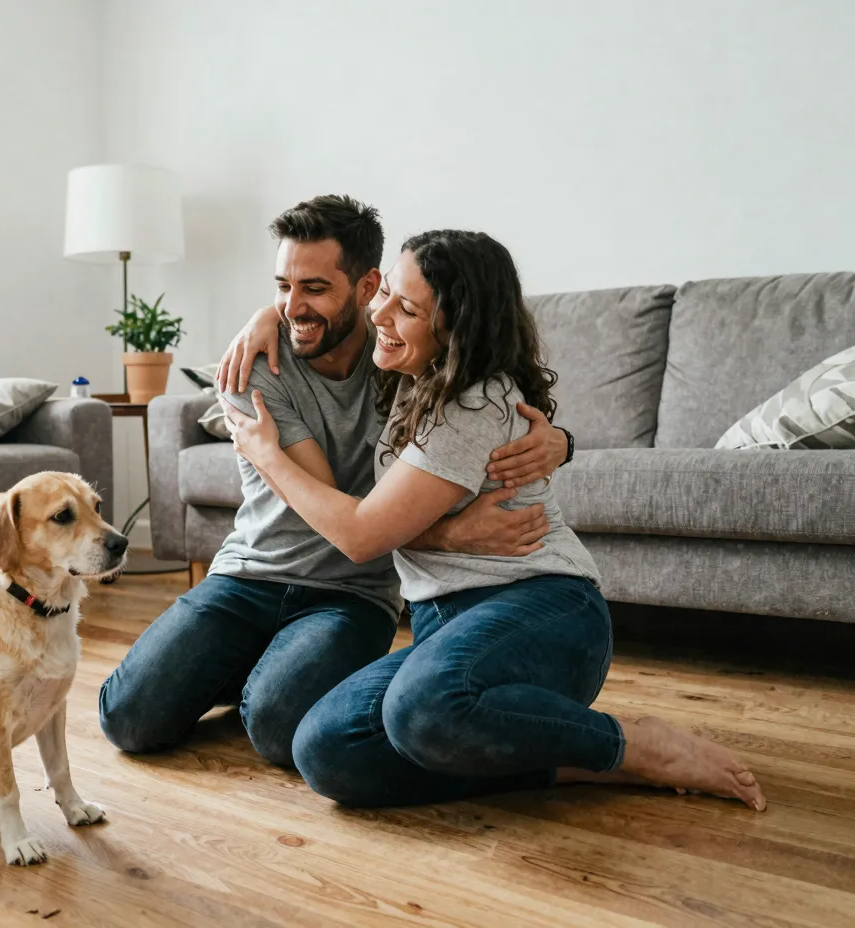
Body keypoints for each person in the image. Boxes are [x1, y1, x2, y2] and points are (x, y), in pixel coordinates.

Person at [222, 228, 767, 811]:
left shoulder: (471, 403)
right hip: (447, 626)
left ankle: (630, 745)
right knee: (327, 749)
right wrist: (267, 315)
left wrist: (267, 456)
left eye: (406, 308)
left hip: (542, 614)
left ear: (456, 329)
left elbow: (361, 535)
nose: (379, 312)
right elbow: (328, 317)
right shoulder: (409, 375)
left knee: (422, 709)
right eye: (386, 295)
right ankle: (568, 764)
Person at [98, 196, 567, 767]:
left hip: (352, 594)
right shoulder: (254, 365)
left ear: (369, 286)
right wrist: (450, 536)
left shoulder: (403, 352)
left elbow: (486, 396)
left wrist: (562, 441)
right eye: (282, 286)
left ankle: (244, 676)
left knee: (276, 729)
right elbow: (339, 509)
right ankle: (242, 665)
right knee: (127, 719)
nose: (293, 306)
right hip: (250, 575)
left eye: (315, 288)